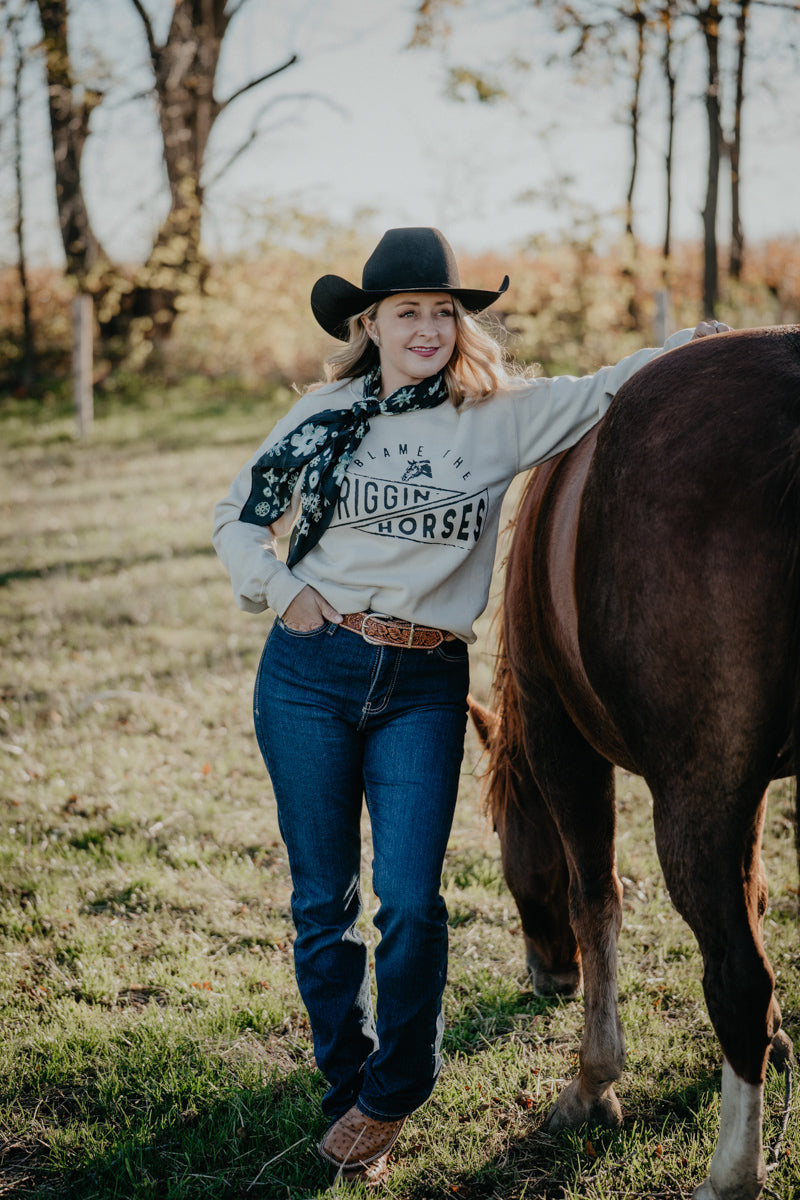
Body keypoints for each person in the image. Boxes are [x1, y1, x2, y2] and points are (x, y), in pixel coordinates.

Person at [212, 227, 727, 1184]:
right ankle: (349, 1093)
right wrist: (285, 591)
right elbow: (239, 518)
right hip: (309, 672)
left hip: (421, 681)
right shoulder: (321, 414)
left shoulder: (498, 419)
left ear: (460, 324)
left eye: (442, 312)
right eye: (407, 311)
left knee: (410, 900)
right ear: (369, 323)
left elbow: (606, 386)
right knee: (323, 904)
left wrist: (696, 352)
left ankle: (395, 1087)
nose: (427, 327)